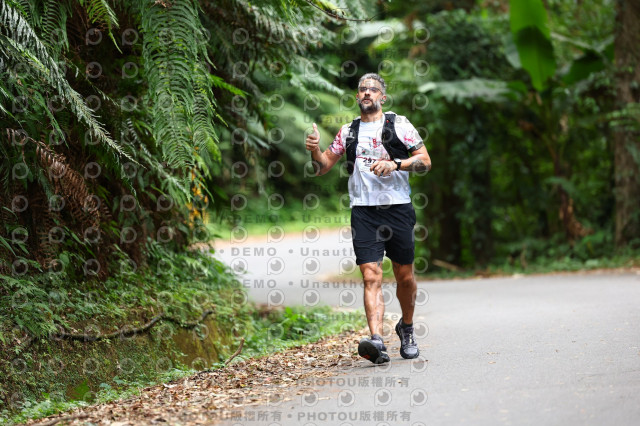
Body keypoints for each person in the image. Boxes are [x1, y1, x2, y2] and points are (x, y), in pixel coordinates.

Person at [305, 72, 432, 364]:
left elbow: (425, 161)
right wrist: (314, 151)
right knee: (371, 276)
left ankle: (406, 328)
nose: (367, 93)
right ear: (357, 96)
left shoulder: (399, 125)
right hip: (363, 211)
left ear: (382, 97)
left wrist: (396, 164)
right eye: (363, 89)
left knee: (404, 276)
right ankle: (377, 340)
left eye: (373, 89)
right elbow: (322, 167)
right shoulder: (347, 132)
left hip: (398, 208)